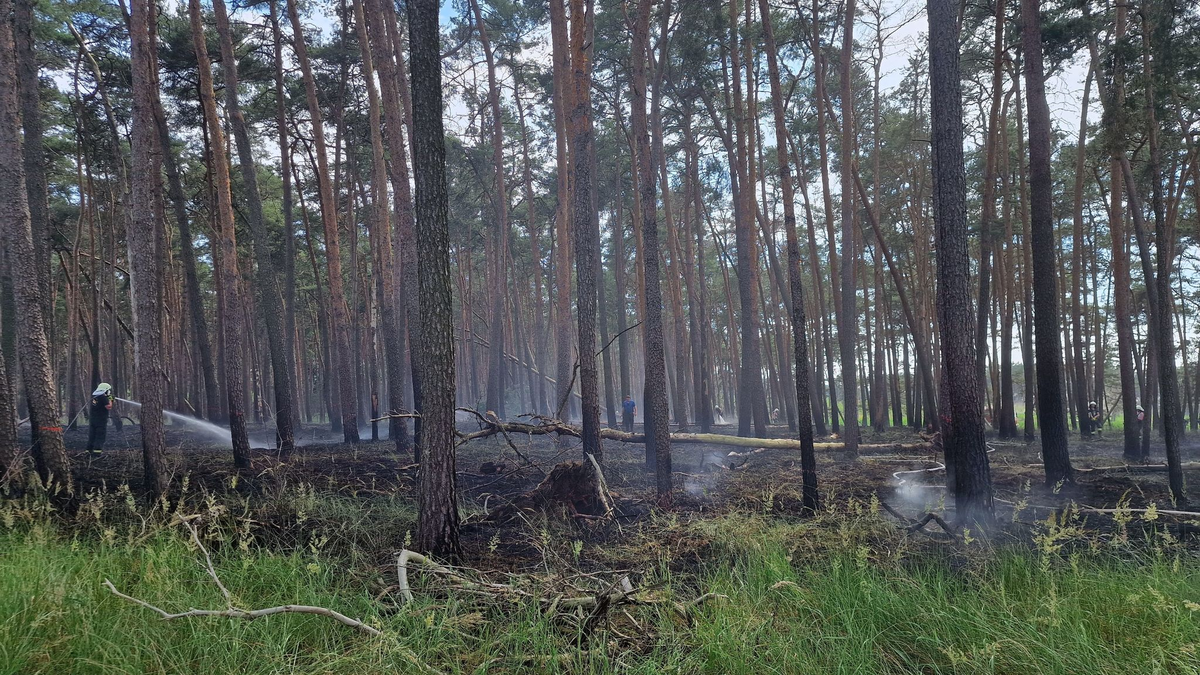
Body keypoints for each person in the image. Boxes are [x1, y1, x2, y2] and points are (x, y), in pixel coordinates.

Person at [88, 383, 113, 456]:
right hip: (101, 421)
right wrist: (111, 398)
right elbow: (109, 406)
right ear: (106, 390)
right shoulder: (103, 397)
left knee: (92, 435)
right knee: (100, 436)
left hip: (93, 420)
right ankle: (97, 452)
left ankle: (88, 451)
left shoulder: (95, 397)